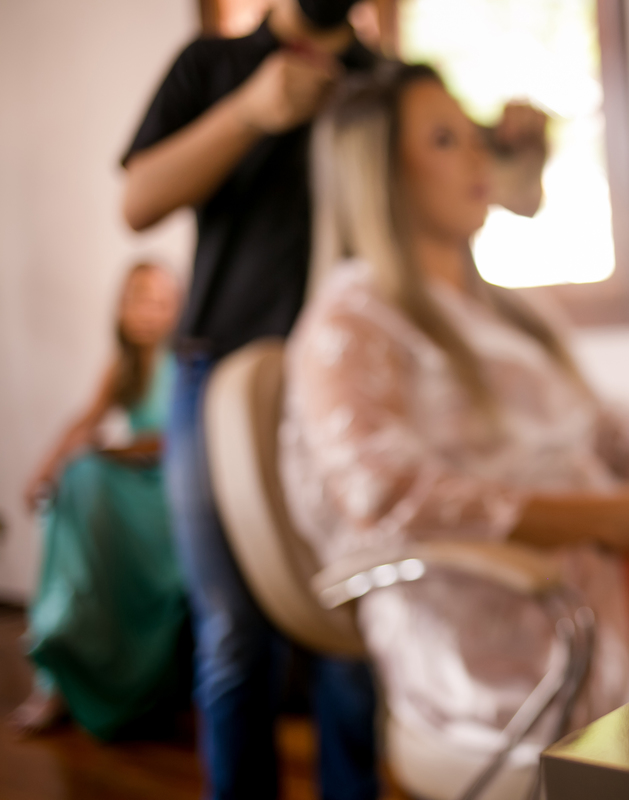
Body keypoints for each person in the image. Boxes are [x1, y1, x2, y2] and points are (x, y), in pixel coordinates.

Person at [121, 1, 551, 797]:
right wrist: (248, 113)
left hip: (358, 385)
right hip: (218, 376)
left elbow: (506, 196)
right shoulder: (210, 66)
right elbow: (136, 201)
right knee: (234, 636)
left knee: (357, 634)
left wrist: (521, 153)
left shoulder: (390, 85)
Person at [280, 64, 629, 793]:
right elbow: (384, 490)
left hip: (601, 590)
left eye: (474, 134)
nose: (477, 154)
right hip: (501, 629)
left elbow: (601, 431)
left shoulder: (504, 313)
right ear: (378, 172)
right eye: (444, 139)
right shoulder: (352, 318)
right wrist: (601, 517)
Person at [12, 262, 187, 740]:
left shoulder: (183, 361)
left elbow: (170, 440)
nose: (149, 312)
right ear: (122, 309)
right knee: (72, 483)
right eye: (140, 300)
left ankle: (62, 638)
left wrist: (105, 453)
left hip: (168, 496)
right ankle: (58, 648)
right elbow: (86, 421)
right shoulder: (123, 367)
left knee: (87, 474)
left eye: (161, 302)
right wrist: (47, 466)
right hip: (129, 490)